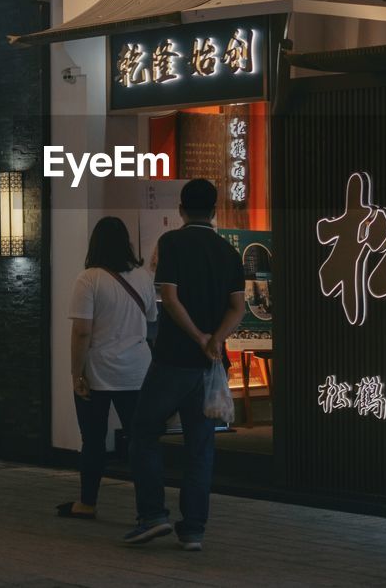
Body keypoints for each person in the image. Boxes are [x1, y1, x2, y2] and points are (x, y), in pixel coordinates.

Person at [123, 179, 247, 552]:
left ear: (181, 209)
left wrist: (196, 337)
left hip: (174, 359)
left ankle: (153, 516)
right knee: (200, 447)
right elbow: (238, 307)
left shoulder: (172, 243)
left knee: (143, 434)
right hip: (209, 368)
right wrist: (215, 341)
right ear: (213, 211)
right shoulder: (228, 253)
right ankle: (193, 529)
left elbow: (170, 299)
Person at [58, 217, 156, 521]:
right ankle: (150, 510)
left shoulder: (88, 279)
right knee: (141, 442)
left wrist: (77, 373)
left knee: (94, 440)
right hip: (138, 371)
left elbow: (82, 332)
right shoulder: (143, 277)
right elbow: (151, 320)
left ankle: (87, 503)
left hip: (97, 372)